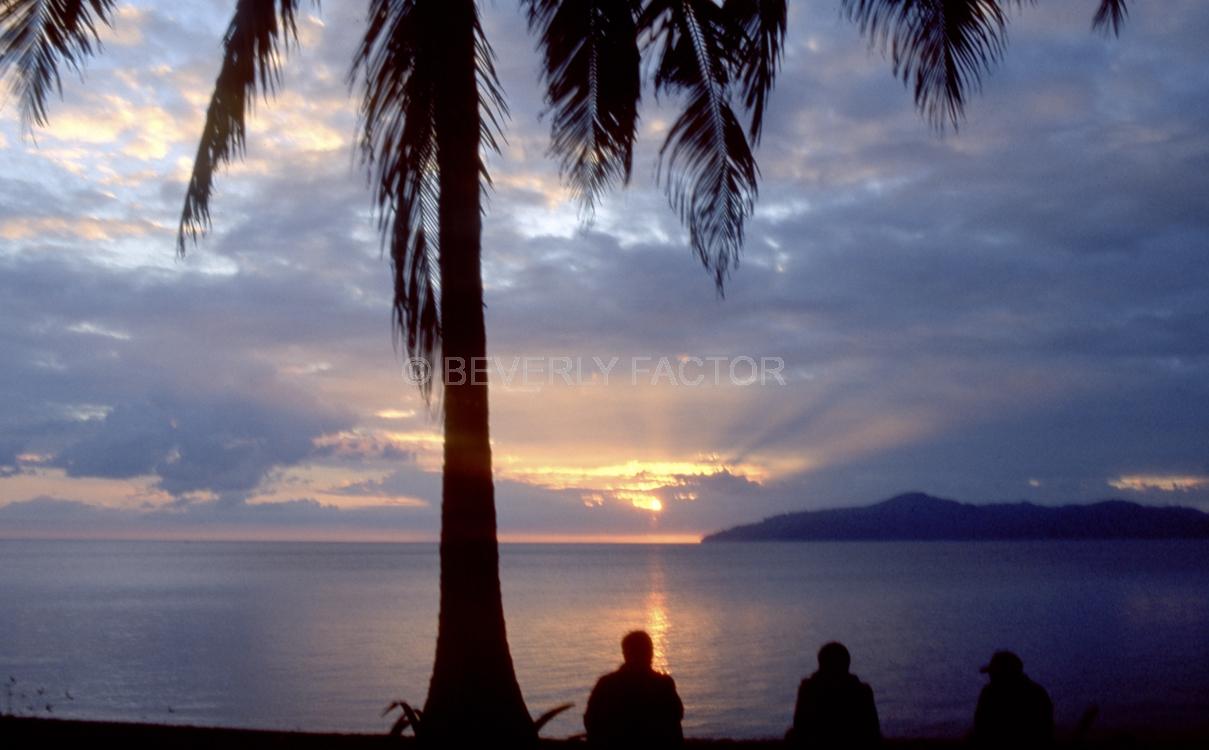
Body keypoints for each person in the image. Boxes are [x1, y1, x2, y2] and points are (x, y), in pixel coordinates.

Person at [584, 630, 684, 748]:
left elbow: (590, 720)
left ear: (625, 653)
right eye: (647, 650)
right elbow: (676, 716)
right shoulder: (663, 684)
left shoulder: (606, 684)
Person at [788, 641, 881, 748]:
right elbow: (873, 727)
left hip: (815, 742)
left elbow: (799, 724)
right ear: (847, 663)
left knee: (791, 735)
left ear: (821, 663)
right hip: (855, 741)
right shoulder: (862, 691)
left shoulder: (808, 689)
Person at [972, 650, 1054, 748]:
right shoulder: (1037, 692)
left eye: (994, 672)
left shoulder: (989, 693)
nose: (990, 676)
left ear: (1007, 672)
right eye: (991, 672)